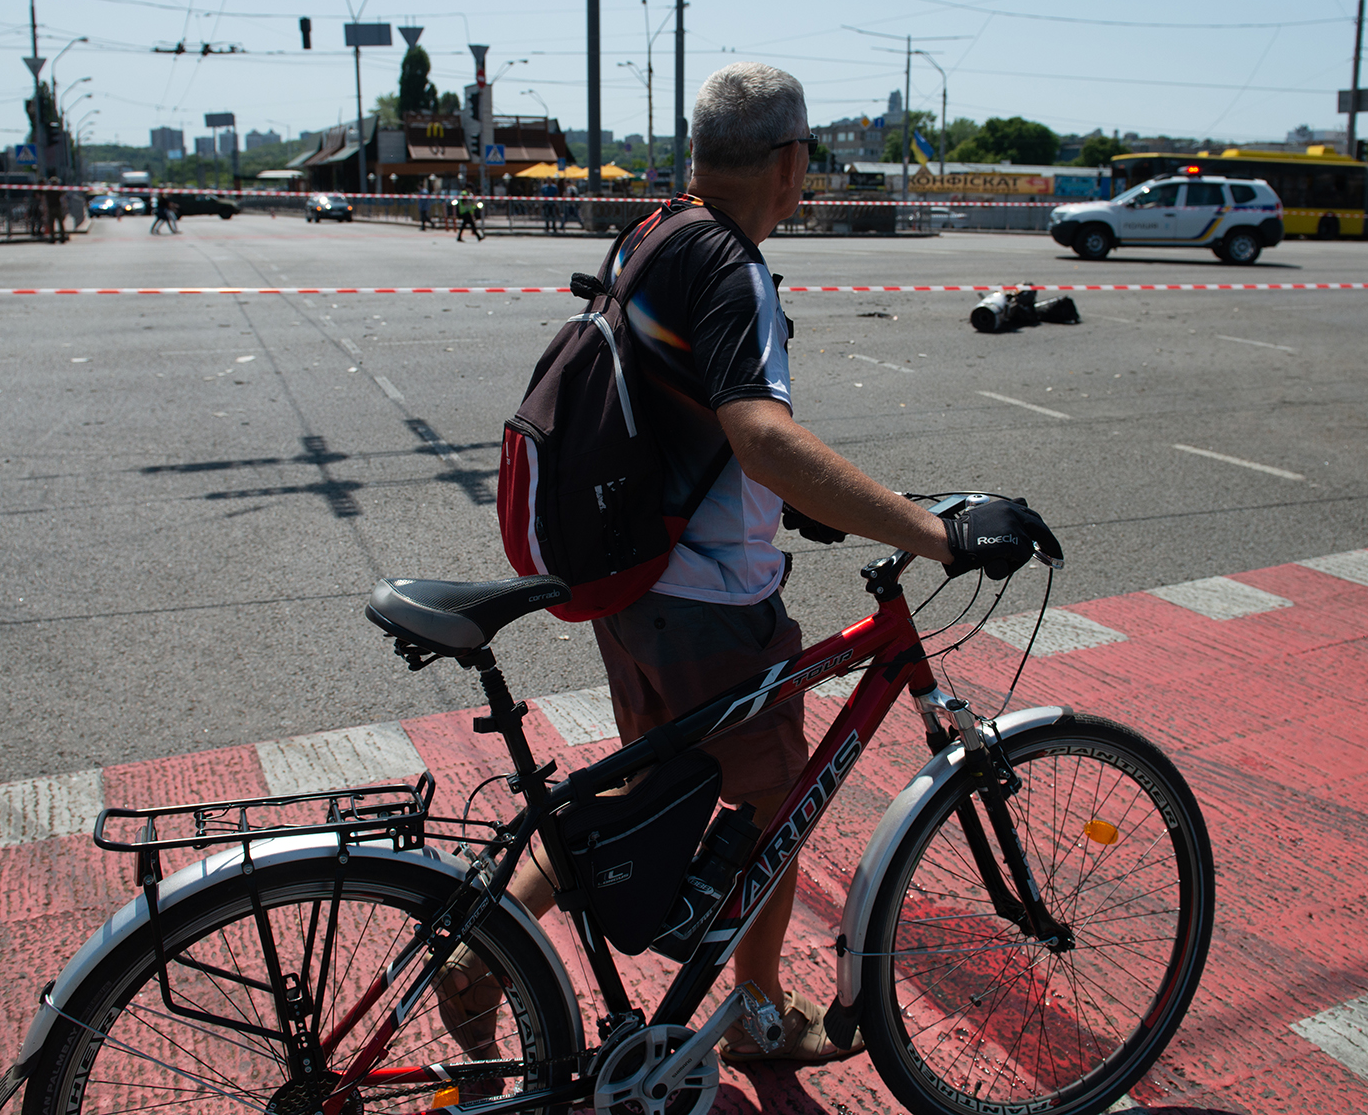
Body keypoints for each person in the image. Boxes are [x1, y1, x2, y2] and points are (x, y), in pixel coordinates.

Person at [437, 62, 1057, 1066]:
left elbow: (681, 417)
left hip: (634, 585)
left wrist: (788, 506)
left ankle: (480, 948)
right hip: (708, 602)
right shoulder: (733, 266)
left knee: (645, 794)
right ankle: (760, 1013)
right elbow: (759, 434)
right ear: (788, 161)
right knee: (777, 803)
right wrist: (931, 534)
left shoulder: (656, 232)